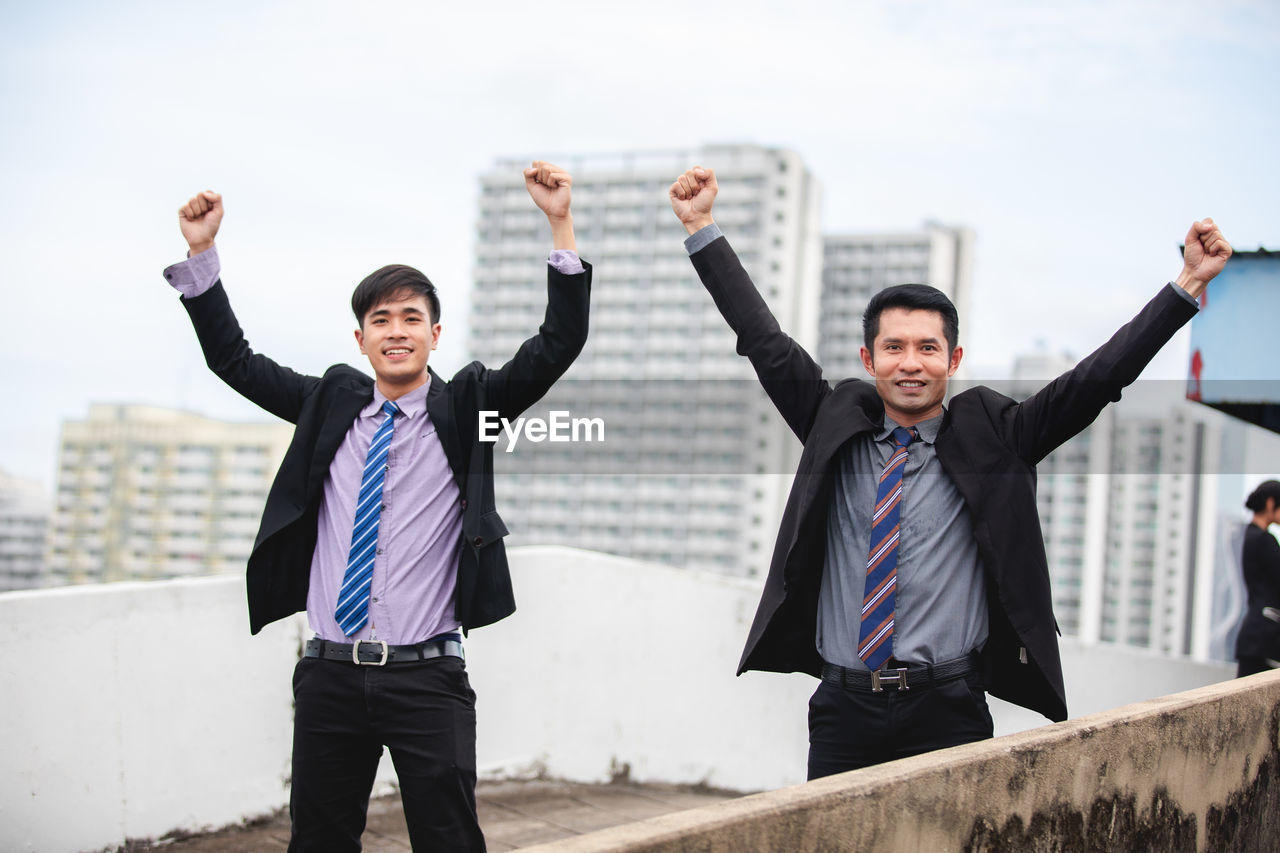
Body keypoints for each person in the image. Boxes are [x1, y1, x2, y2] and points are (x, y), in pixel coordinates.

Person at [668, 165, 1231, 777]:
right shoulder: (833, 426)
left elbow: (1097, 380)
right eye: (894, 348)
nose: (911, 364)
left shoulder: (999, 439)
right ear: (869, 359)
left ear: (953, 358)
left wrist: (1186, 286)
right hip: (843, 708)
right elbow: (765, 340)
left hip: (948, 710)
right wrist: (701, 226)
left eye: (928, 349)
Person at [164, 162, 590, 851]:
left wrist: (559, 223)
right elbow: (235, 361)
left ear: (435, 335)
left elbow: (556, 345)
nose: (397, 329)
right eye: (380, 318)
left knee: (449, 840)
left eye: (412, 318)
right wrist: (201, 253)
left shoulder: (468, 406)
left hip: (428, 678)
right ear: (360, 338)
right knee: (319, 841)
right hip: (330, 675)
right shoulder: (327, 402)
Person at [1235, 480, 1280, 678]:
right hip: (1265, 638)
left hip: (1255, 637)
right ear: (1271, 504)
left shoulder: (1250, 535)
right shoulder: (1264, 539)